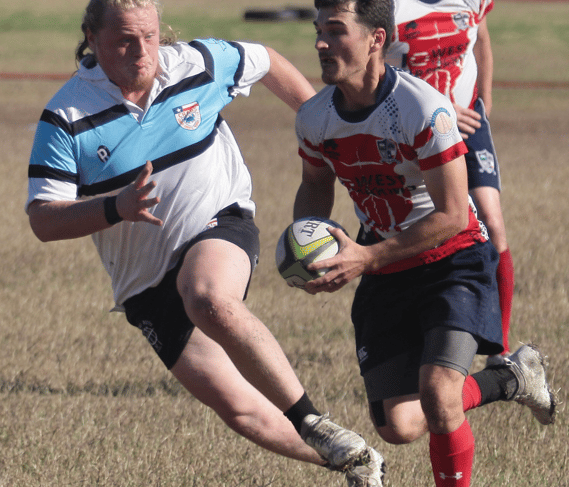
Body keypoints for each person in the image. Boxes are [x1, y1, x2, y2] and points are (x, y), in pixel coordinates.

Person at [24, 1, 385, 485]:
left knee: (208, 297)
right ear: (91, 37)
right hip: (144, 285)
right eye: (124, 40)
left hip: (220, 222)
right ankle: (355, 461)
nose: (141, 51)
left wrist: (323, 124)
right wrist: (117, 207)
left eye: (149, 36)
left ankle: (310, 419)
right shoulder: (67, 116)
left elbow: (267, 61)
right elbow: (44, 219)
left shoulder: (197, 64)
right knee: (240, 409)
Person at [292, 0, 556, 485]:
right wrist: (307, 245)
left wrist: (366, 256)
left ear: (377, 39)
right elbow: (315, 183)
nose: (320, 44)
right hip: (386, 268)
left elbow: (454, 215)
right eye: (318, 30)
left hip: (453, 259)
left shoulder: (420, 108)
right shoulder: (314, 117)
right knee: (398, 425)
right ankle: (512, 378)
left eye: (335, 30)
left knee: (438, 396)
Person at [387, 0, 513, 364]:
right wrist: (437, 107)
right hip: (416, 129)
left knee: (493, 223)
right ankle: (424, 330)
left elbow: (482, 39)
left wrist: (484, 101)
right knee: (426, 223)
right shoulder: (392, 8)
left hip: (470, 124)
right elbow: (372, 68)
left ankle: (499, 351)